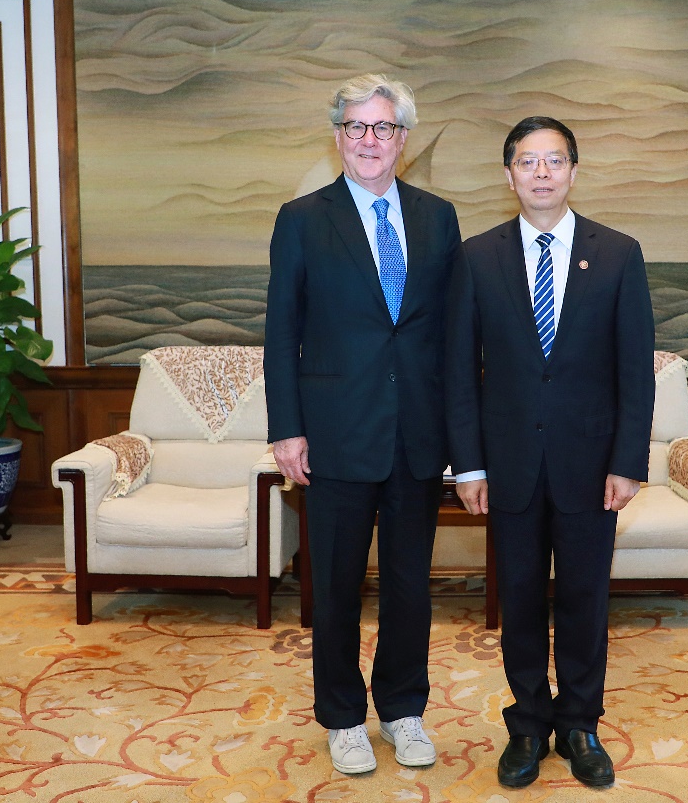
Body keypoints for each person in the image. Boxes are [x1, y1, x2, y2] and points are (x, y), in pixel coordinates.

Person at [445, 116, 655, 789]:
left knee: (585, 600)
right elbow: (458, 371)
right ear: (508, 175)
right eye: (528, 161)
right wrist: (468, 464)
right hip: (507, 464)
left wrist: (627, 462)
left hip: (591, 466)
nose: (541, 172)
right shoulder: (476, 257)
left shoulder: (617, 253)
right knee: (521, 600)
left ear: (573, 171)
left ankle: (580, 724)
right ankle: (529, 725)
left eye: (554, 160)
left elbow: (635, 371)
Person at [264, 74, 462, 775]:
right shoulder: (301, 218)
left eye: (382, 127)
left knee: (410, 587)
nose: (368, 140)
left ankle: (404, 709)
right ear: (338, 136)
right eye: (356, 127)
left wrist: (461, 437)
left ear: (402, 138)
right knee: (336, 587)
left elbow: (450, 334)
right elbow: (281, 331)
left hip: (417, 436)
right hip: (334, 435)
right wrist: (287, 430)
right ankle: (343, 718)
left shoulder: (439, 217)